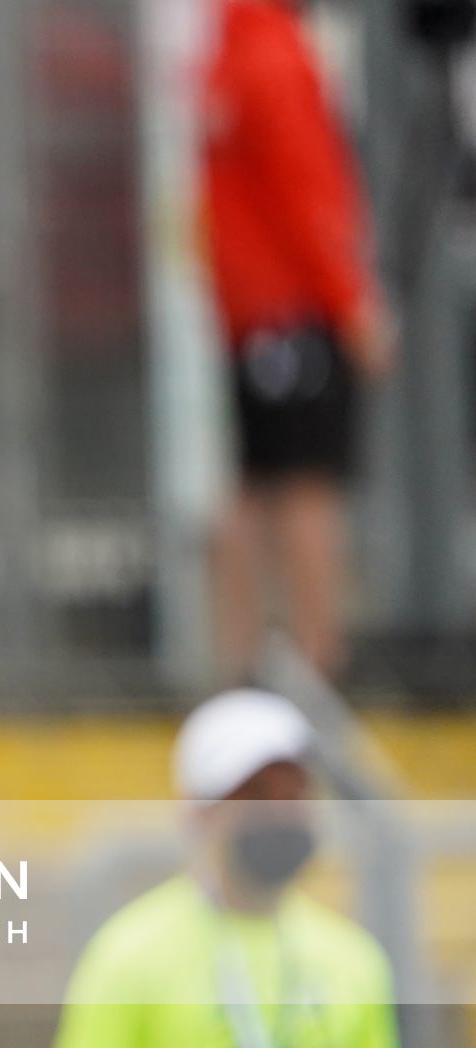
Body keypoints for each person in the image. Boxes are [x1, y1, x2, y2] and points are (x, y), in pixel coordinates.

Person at [42, 689, 409, 1048]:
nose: (282, 811)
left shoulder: (354, 961)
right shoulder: (129, 958)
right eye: (255, 793)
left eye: (294, 791)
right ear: (199, 809)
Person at [200, 0, 393, 681]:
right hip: (292, 310)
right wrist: (352, 301)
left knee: (255, 481)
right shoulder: (278, 57)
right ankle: (319, 661)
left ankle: (239, 658)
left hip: (251, 313)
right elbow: (308, 192)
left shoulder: (229, 50)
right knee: (309, 483)